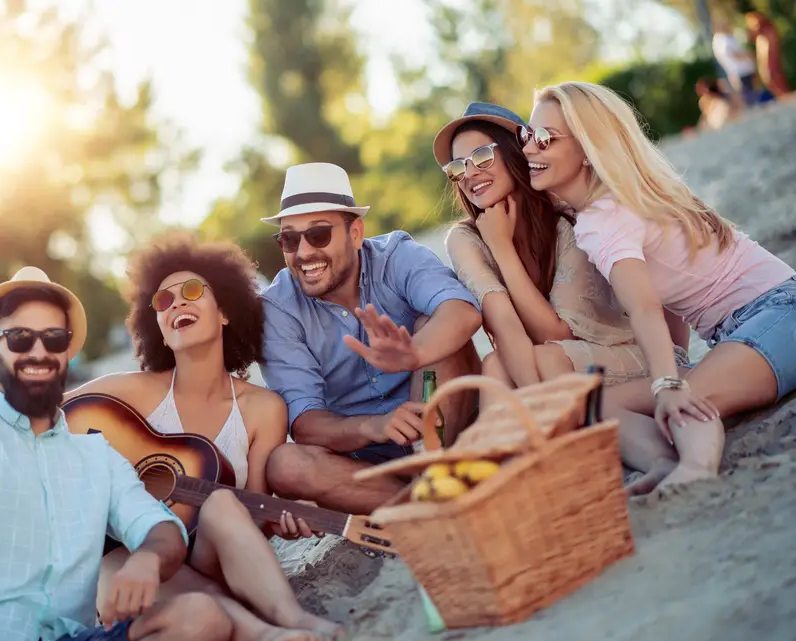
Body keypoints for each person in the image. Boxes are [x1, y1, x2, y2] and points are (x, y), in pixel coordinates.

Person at [0, 267, 232, 641]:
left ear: (68, 351)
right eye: (19, 338)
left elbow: (159, 529)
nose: (39, 351)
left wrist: (147, 560)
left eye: (54, 338)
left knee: (201, 618)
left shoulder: (97, 457)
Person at [63, 233, 341, 641]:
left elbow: (256, 516)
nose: (177, 303)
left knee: (223, 502)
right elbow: (48, 420)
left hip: (219, 562)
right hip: (144, 571)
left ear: (226, 310)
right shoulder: (128, 393)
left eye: (192, 291)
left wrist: (281, 520)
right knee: (118, 556)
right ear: (155, 324)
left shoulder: (264, 409)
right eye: (163, 300)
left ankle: (292, 618)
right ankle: (265, 637)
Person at [522, 81, 796, 494]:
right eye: (527, 136)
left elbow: (645, 306)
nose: (528, 149)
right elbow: (667, 299)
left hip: (779, 316)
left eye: (544, 139)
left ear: (587, 148)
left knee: (685, 397)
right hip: (747, 331)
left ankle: (695, 470)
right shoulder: (627, 197)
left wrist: (668, 383)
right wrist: (673, 364)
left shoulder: (603, 218)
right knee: (601, 404)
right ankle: (661, 460)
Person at [258, 162, 483, 515]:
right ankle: (433, 498)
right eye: (289, 239)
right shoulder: (277, 310)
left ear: (356, 233)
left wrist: (414, 355)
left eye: (318, 235)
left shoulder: (398, 256)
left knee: (433, 323)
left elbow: (462, 311)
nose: (302, 253)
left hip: (441, 421)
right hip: (366, 455)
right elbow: (304, 424)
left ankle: (424, 489)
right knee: (285, 465)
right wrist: (374, 426)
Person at [434, 102, 690, 396]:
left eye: (482, 157)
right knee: (494, 365)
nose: (468, 174)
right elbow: (504, 327)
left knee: (536, 360)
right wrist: (538, 402)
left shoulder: (568, 220)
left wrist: (502, 249)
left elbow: (556, 334)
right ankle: (525, 439)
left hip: (630, 354)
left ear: (515, 152)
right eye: (457, 167)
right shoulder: (465, 238)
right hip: (550, 366)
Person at [712, 19, 762, 108]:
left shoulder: (719, 41)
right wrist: (749, 56)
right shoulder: (723, 40)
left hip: (738, 71)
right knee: (750, 95)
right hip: (742, 70)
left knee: (748, 94)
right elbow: (734, 54)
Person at [746, 10, 792, 99]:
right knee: (772, 83)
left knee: (775, 81)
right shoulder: (760, 36)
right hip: (767, 65)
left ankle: (786, 98)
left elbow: (768, 53)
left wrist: (765, 67)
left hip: (770, 64)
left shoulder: (767, 32)